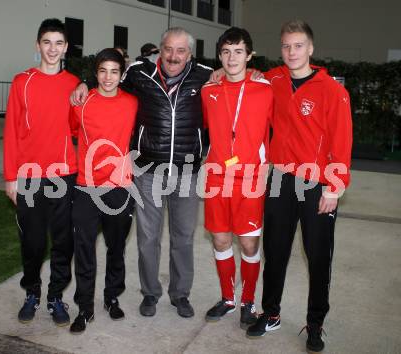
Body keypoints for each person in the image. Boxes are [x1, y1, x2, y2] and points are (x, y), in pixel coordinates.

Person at [71, 27, 212, 318]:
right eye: (168, 49)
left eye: (181, 50)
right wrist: (85, 81)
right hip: (149, 169)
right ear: (159, 49)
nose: (173, 56)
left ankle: (180, 294)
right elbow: (110, 73)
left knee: (183, 237)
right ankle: (150, 293)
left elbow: (231, 83)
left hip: (187, 171)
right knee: (148, 237)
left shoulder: (205, 76)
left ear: (190, 53)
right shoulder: (139, 73)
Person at [245, 20, 353, 353]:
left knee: (318, 256)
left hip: (316, 182)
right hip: (279, 178)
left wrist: (334, 187)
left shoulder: (332, 90)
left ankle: (316, 322)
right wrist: (220, 74)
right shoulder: (272, 79)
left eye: (298, 45)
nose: (292, 52)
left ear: (311, 48)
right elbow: (242, 79)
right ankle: (272, 312)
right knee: (274, 251)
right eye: (286, 46)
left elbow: (342, 141)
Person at [3, 18, 79, 326]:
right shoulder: (22, 81)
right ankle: (32, 292)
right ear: (38, 45)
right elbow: (10, 131)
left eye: (58, 43)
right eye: (46, 42)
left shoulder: (75, 84)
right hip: (30, 175)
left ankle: (56, 297)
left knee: (63, 242)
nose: (52, 49)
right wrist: (11, 177)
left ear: (66, 48)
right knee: (33, 242)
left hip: (64, 175)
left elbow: (78, 128)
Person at [201, 27, 272, 330]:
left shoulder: (265, 88)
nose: (232, 58)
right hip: (217, 175)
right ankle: (229, 298)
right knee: (219, 237)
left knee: (249, 244)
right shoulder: (209, 90)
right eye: (226, 52)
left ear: (250, 55)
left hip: (251, 178)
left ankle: (248, 301)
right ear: (219, 56)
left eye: (239, 51)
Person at [68, 48, 138, 334]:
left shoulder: (134, 103)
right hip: (86, 186)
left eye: (114, 71)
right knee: (84, 249)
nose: (108, 78)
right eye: (102, 71)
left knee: (116, 247)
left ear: (122, 75)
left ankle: (112, 297)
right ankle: (85, 307)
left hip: (120, 187)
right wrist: (81, 84)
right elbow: (72, 132)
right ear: (95, 73)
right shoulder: (80, 102)